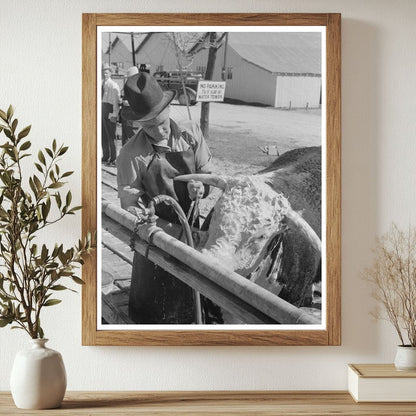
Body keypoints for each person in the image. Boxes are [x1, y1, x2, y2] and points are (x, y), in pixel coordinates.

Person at [116, 71, 218, 324]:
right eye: (149, 126)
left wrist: (200, 188)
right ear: (137, 123)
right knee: (153, 308)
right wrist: (155, 224)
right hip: (157, 237)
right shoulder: (130, 155)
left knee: (192, 301)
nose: (159, 130)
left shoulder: (191, 133)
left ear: (169, 108)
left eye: (161, 121)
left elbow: (208, 176)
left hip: (193, 228)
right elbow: (129, 205)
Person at [101, 63, 120, 166]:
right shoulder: (101, 84)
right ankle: (105, 156)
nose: (105, 74)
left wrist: (114, 115)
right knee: (103, 134)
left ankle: (113, 158)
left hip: (110, 110)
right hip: (103, 109)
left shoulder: (113, 85)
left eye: (107, 72)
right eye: (103, 72)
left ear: (110, 73)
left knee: (111, 135)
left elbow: (116, 102)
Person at [119, 66, 141, 146]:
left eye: (130, 77)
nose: (128, 79)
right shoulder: (128, 86)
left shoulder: (139, 87)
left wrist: (129, 103)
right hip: (126, 117)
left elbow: (140, 103)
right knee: (125, 139)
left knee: (133, 140)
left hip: (133, 119)